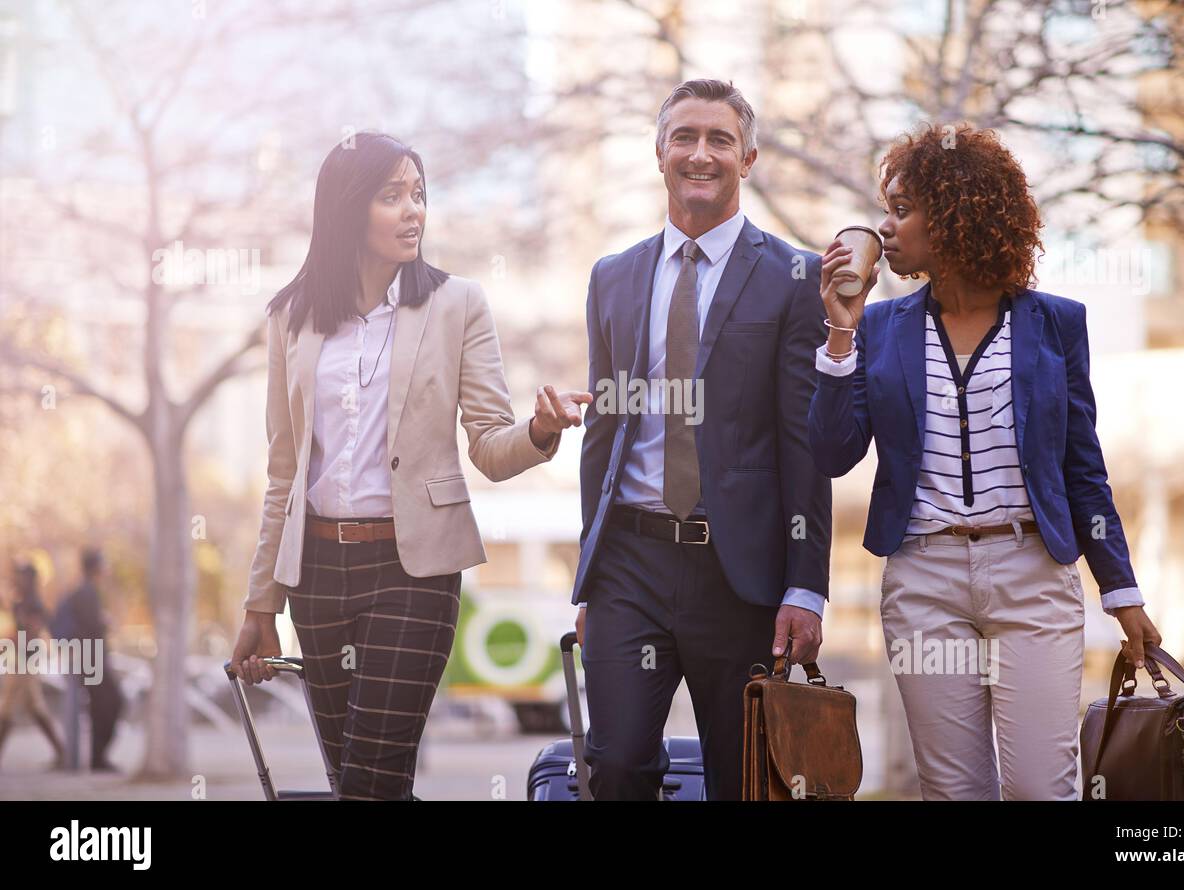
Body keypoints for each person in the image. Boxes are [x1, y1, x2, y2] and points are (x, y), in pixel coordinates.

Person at [229, 132, 590, 801]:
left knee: (370, 781)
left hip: (413, 570)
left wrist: (539, 431)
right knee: (359, 784)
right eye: (391, 194)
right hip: (317, 575)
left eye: (418, 193)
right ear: (346, 207)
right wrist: (261, 602)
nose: (413, 210)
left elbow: (487, 443)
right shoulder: (291, 316)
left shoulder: (458, 304)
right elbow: (283, 470)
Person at [808, 123, 1162, 800]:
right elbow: (831, 452)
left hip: (1033, 574)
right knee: (955, 790)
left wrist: (1122, 592)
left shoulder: (1056, 323)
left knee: (1039, 786)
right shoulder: (879, 329)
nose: (885, 227)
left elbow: (1082, 467)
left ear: (953, 216)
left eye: (903, 209)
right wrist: (840, 330)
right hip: (923, 581)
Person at [573, 79, 832, 801]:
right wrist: (590, 572)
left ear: (747, 158)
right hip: (630, 562)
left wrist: (807, 585)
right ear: (659, 152)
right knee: (618, 763)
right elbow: (604, 431)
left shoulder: (794, 277)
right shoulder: (613, 278)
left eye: (720, 139)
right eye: (684, 136)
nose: (700, 153)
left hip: (741, 570)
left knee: (745, 779)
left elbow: (803, 443)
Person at [52, 548, 124, 771]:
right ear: (95, 567)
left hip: (88, 658)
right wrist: (105, 622)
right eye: (103, 564)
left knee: (100, 707)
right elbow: (91, 626)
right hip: (93, 660)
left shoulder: (82, 591)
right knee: (113, 702)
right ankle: (97, 758)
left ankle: (97, 758)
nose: (106, 569)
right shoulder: (87, 592)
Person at [0, 562, 65, 769]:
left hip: (25, 661)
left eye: (21, 576)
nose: (18, 579)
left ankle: (62, 753)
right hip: (19, 659)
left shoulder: (34, 603)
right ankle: (62, 753)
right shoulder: (20, 602)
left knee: (8, 707)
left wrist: (13, 641)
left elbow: (32, 632)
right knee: (35, 707)